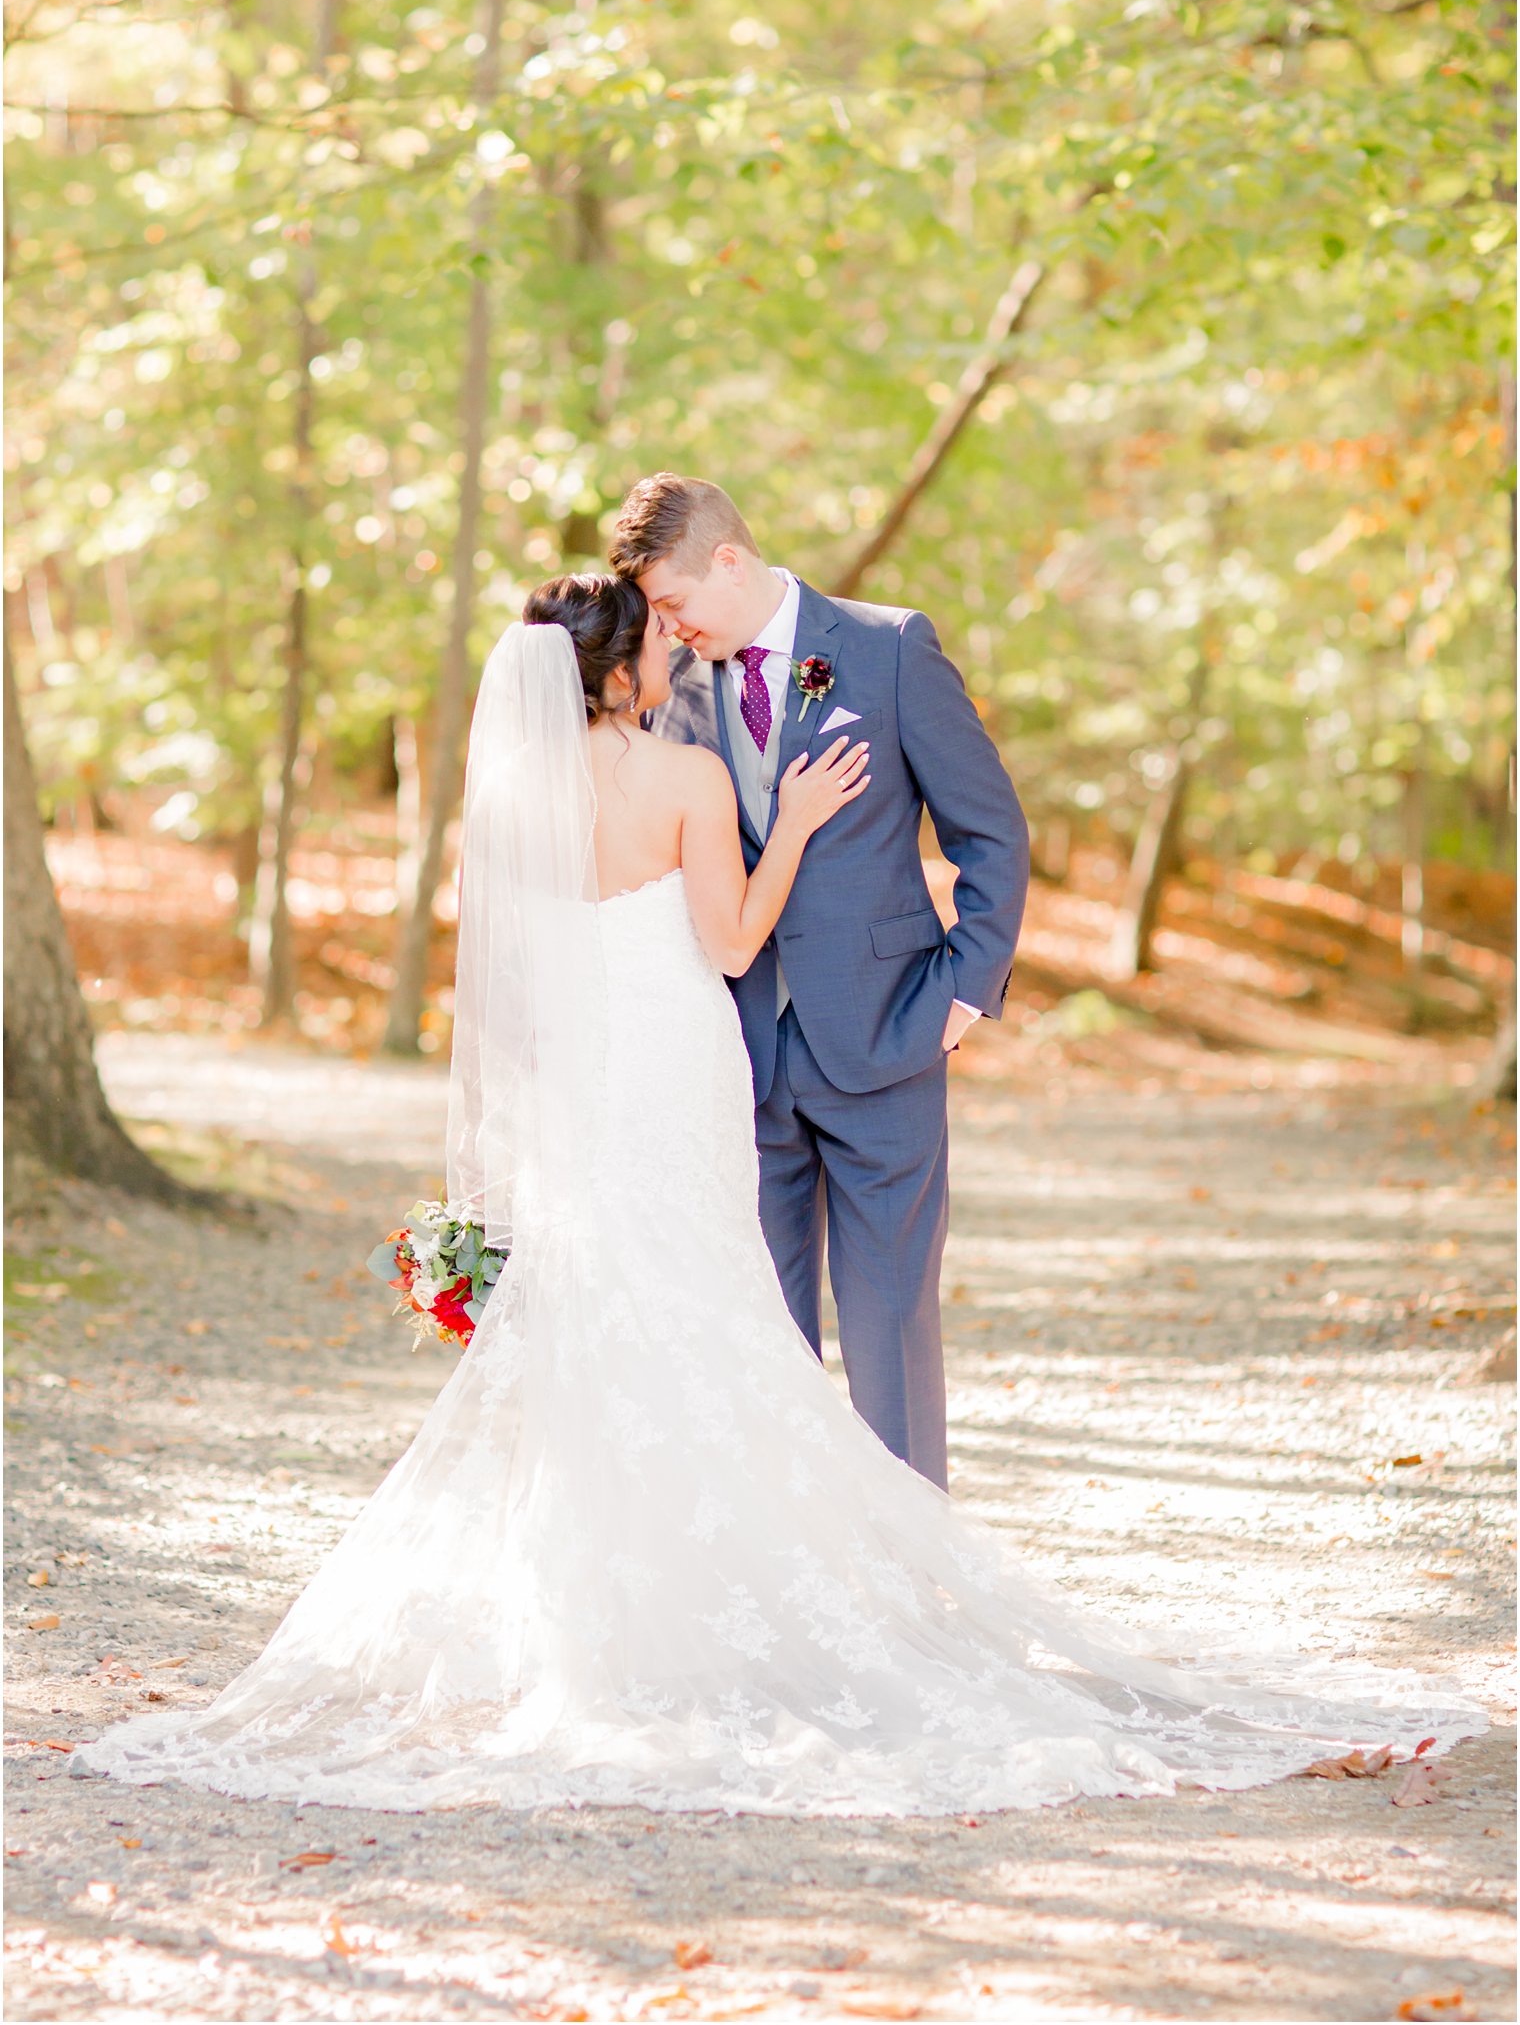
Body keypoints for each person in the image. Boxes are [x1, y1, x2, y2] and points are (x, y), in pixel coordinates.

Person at [71, 582, 1484, 1817]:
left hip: (572, 1099)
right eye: (658, 653)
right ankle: (753, 1612)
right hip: (680, 1077)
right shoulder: (685, 783)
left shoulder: (505, 805)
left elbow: (495, 1007)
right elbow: (739, 936)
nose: (677, 668)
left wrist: (496, 1160)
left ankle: (595, 1632)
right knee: (716, 1316)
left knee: (598, 1333)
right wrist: (798, 819)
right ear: (624, 672)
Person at [609, 471, 1028, 1491]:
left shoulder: (885, 651)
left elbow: (990, 832)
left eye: (672, 604)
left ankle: (910, 1589)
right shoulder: (678, 694)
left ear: (729, 560)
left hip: (887, 1038)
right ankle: (798, 1588)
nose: (664, 630)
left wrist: (958, 999)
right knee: (761, 1331)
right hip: (737, 1056)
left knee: (887, 1326)